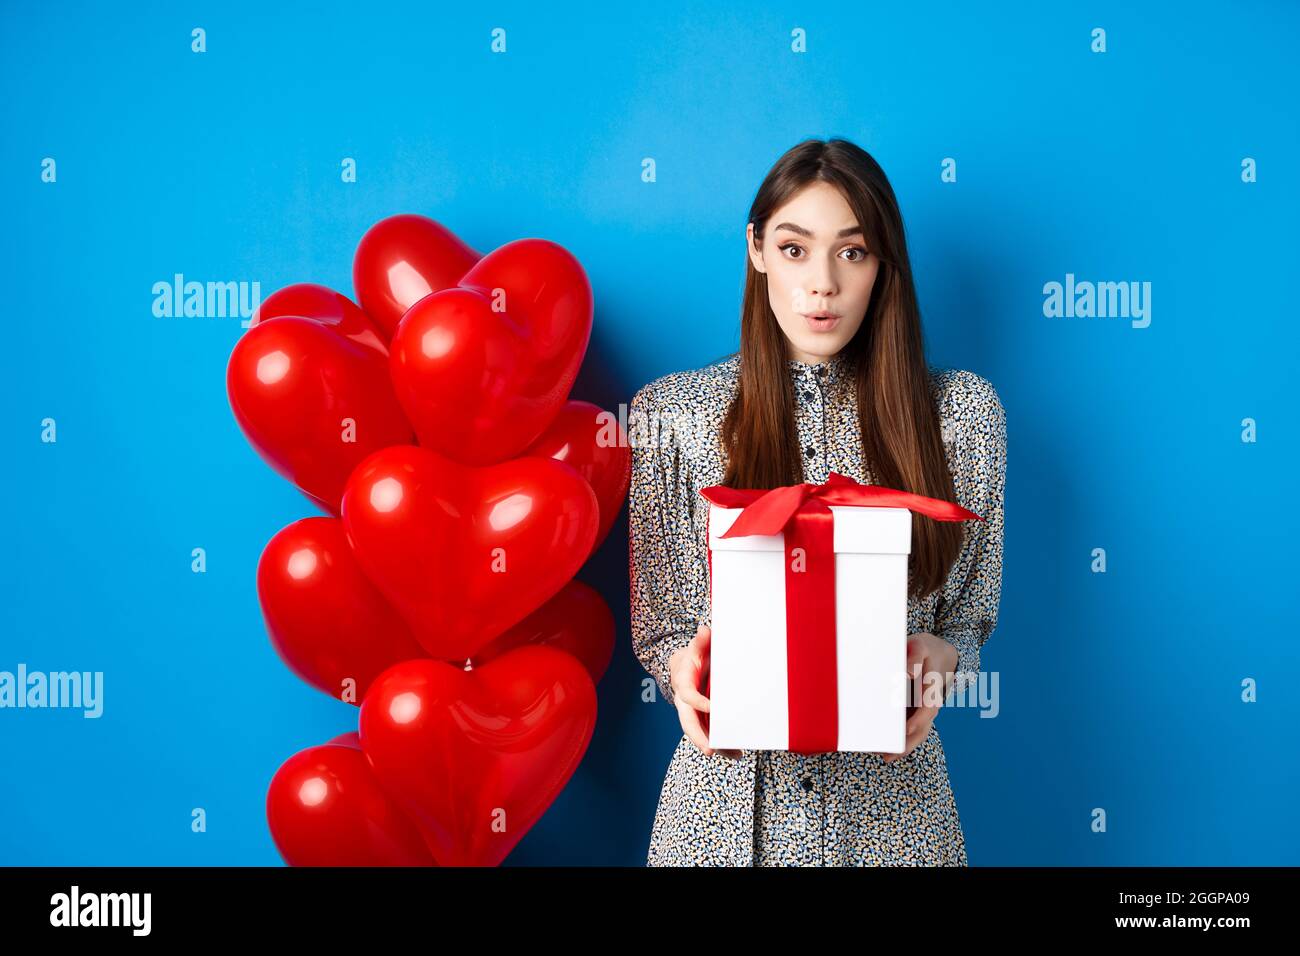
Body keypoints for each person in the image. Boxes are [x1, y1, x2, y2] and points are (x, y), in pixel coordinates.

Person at [626, 137, 1007, 866]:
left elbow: (966, 612)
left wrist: (945, 655)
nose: (822, 284)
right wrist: (679, 666)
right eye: (795, 249)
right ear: (758, 250)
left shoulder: (962, 416)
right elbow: (663, 622)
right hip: (725, 825)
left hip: (894, 824)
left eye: (852, 253)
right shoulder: (670, 416)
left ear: (883, 266)